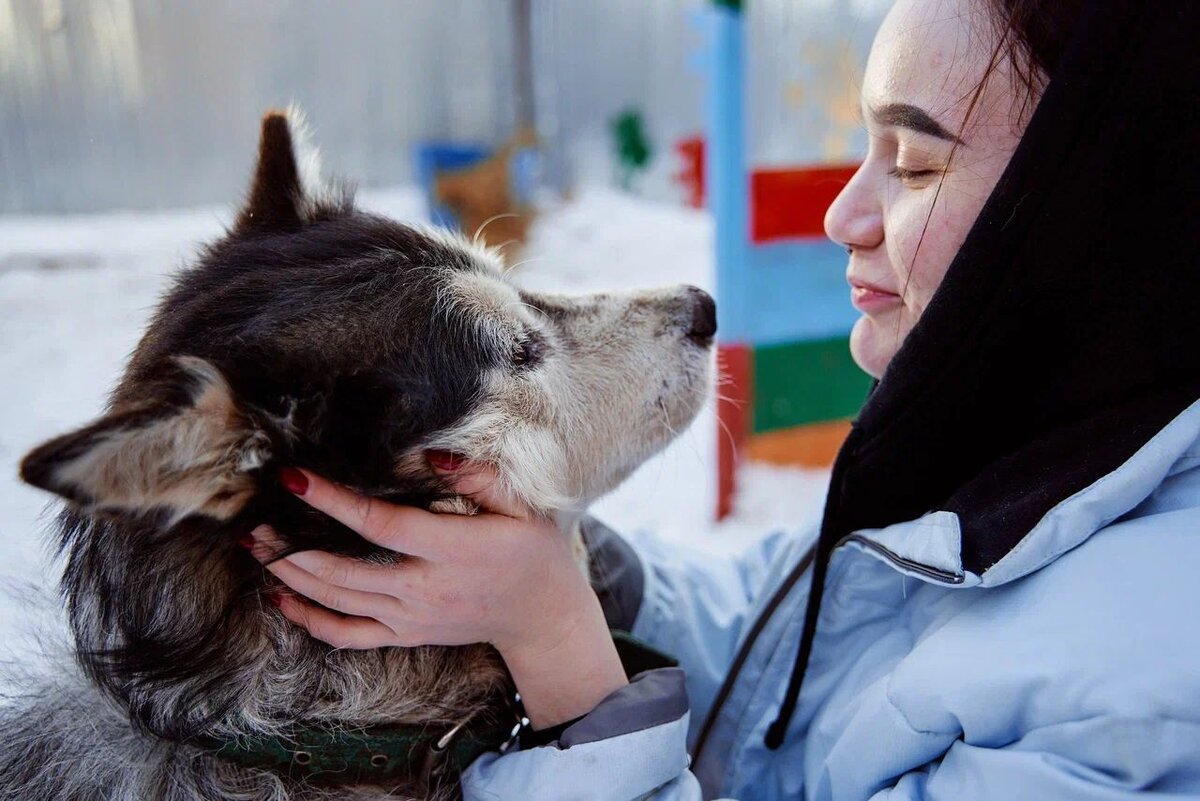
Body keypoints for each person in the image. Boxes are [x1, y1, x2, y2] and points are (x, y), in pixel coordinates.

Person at [250, 0, 1200, 797]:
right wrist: (571, 571)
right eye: (861, 148)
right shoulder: (1002, 446)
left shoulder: (1153, 695)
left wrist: (571, 667)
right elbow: (783, 644)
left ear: (1096, 208)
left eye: (912, 162)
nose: (843, 215)